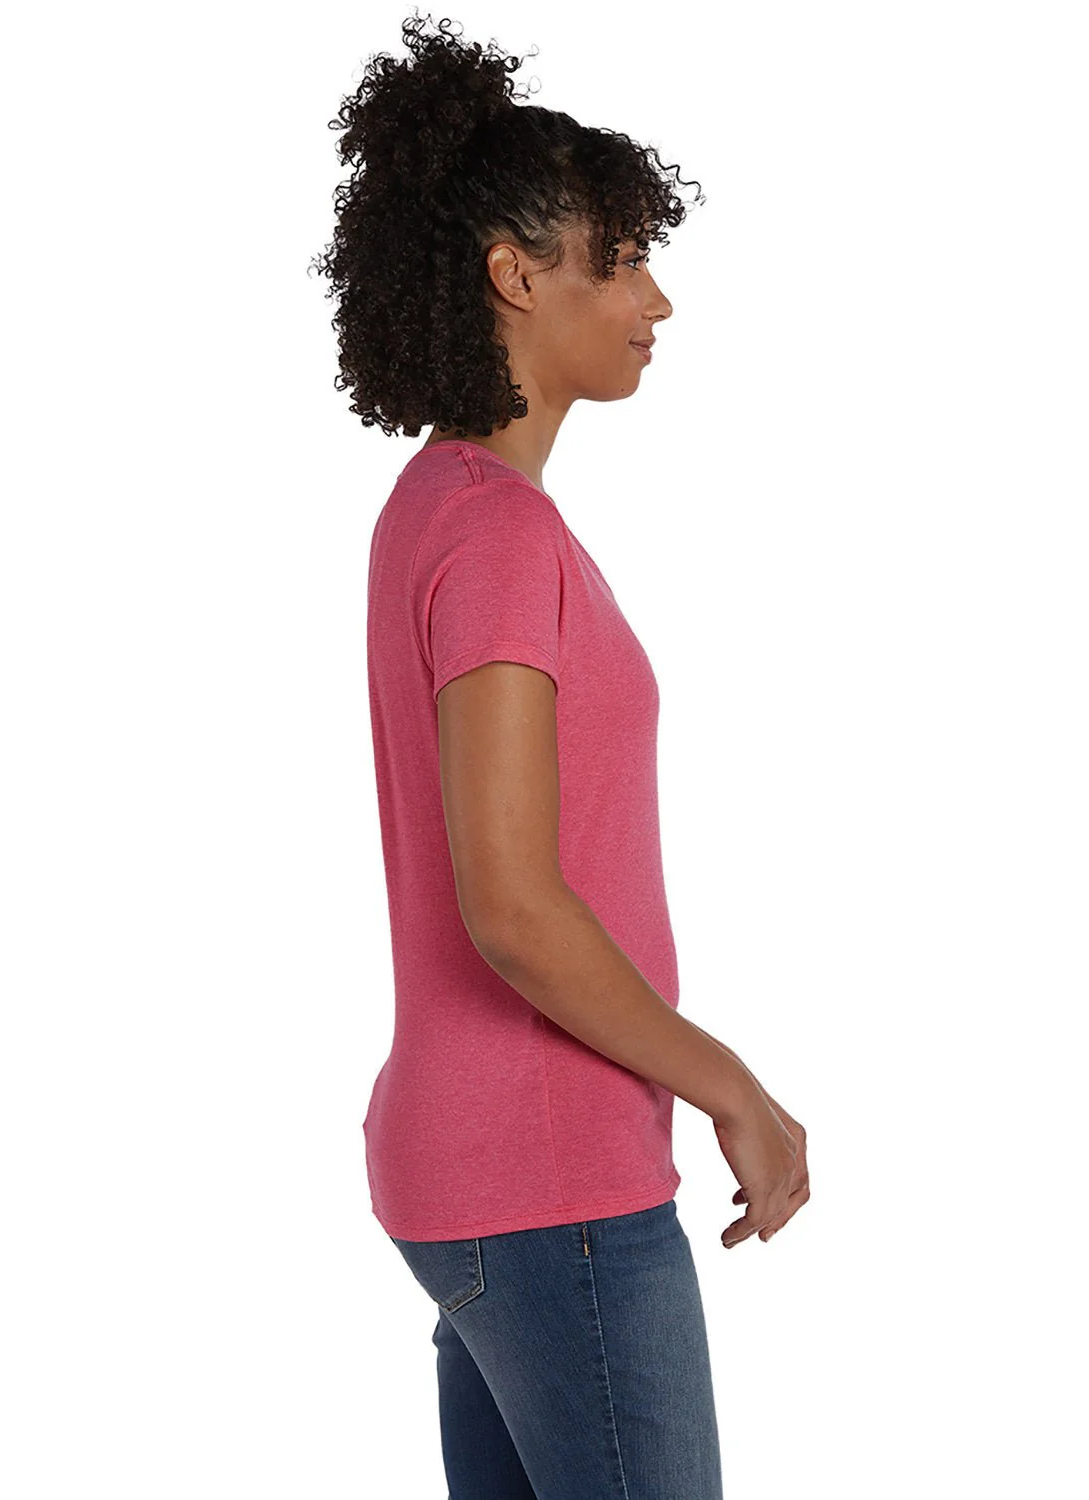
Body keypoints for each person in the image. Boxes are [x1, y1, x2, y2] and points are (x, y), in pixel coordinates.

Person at [311, 14, 810, 1498]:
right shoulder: (498, 536)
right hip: (552, 1185)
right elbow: (514, 906)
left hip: (474, 1172)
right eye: (624, 258)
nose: (659, 298)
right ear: (517, 276)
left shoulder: (437, 507)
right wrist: (733, 1086)